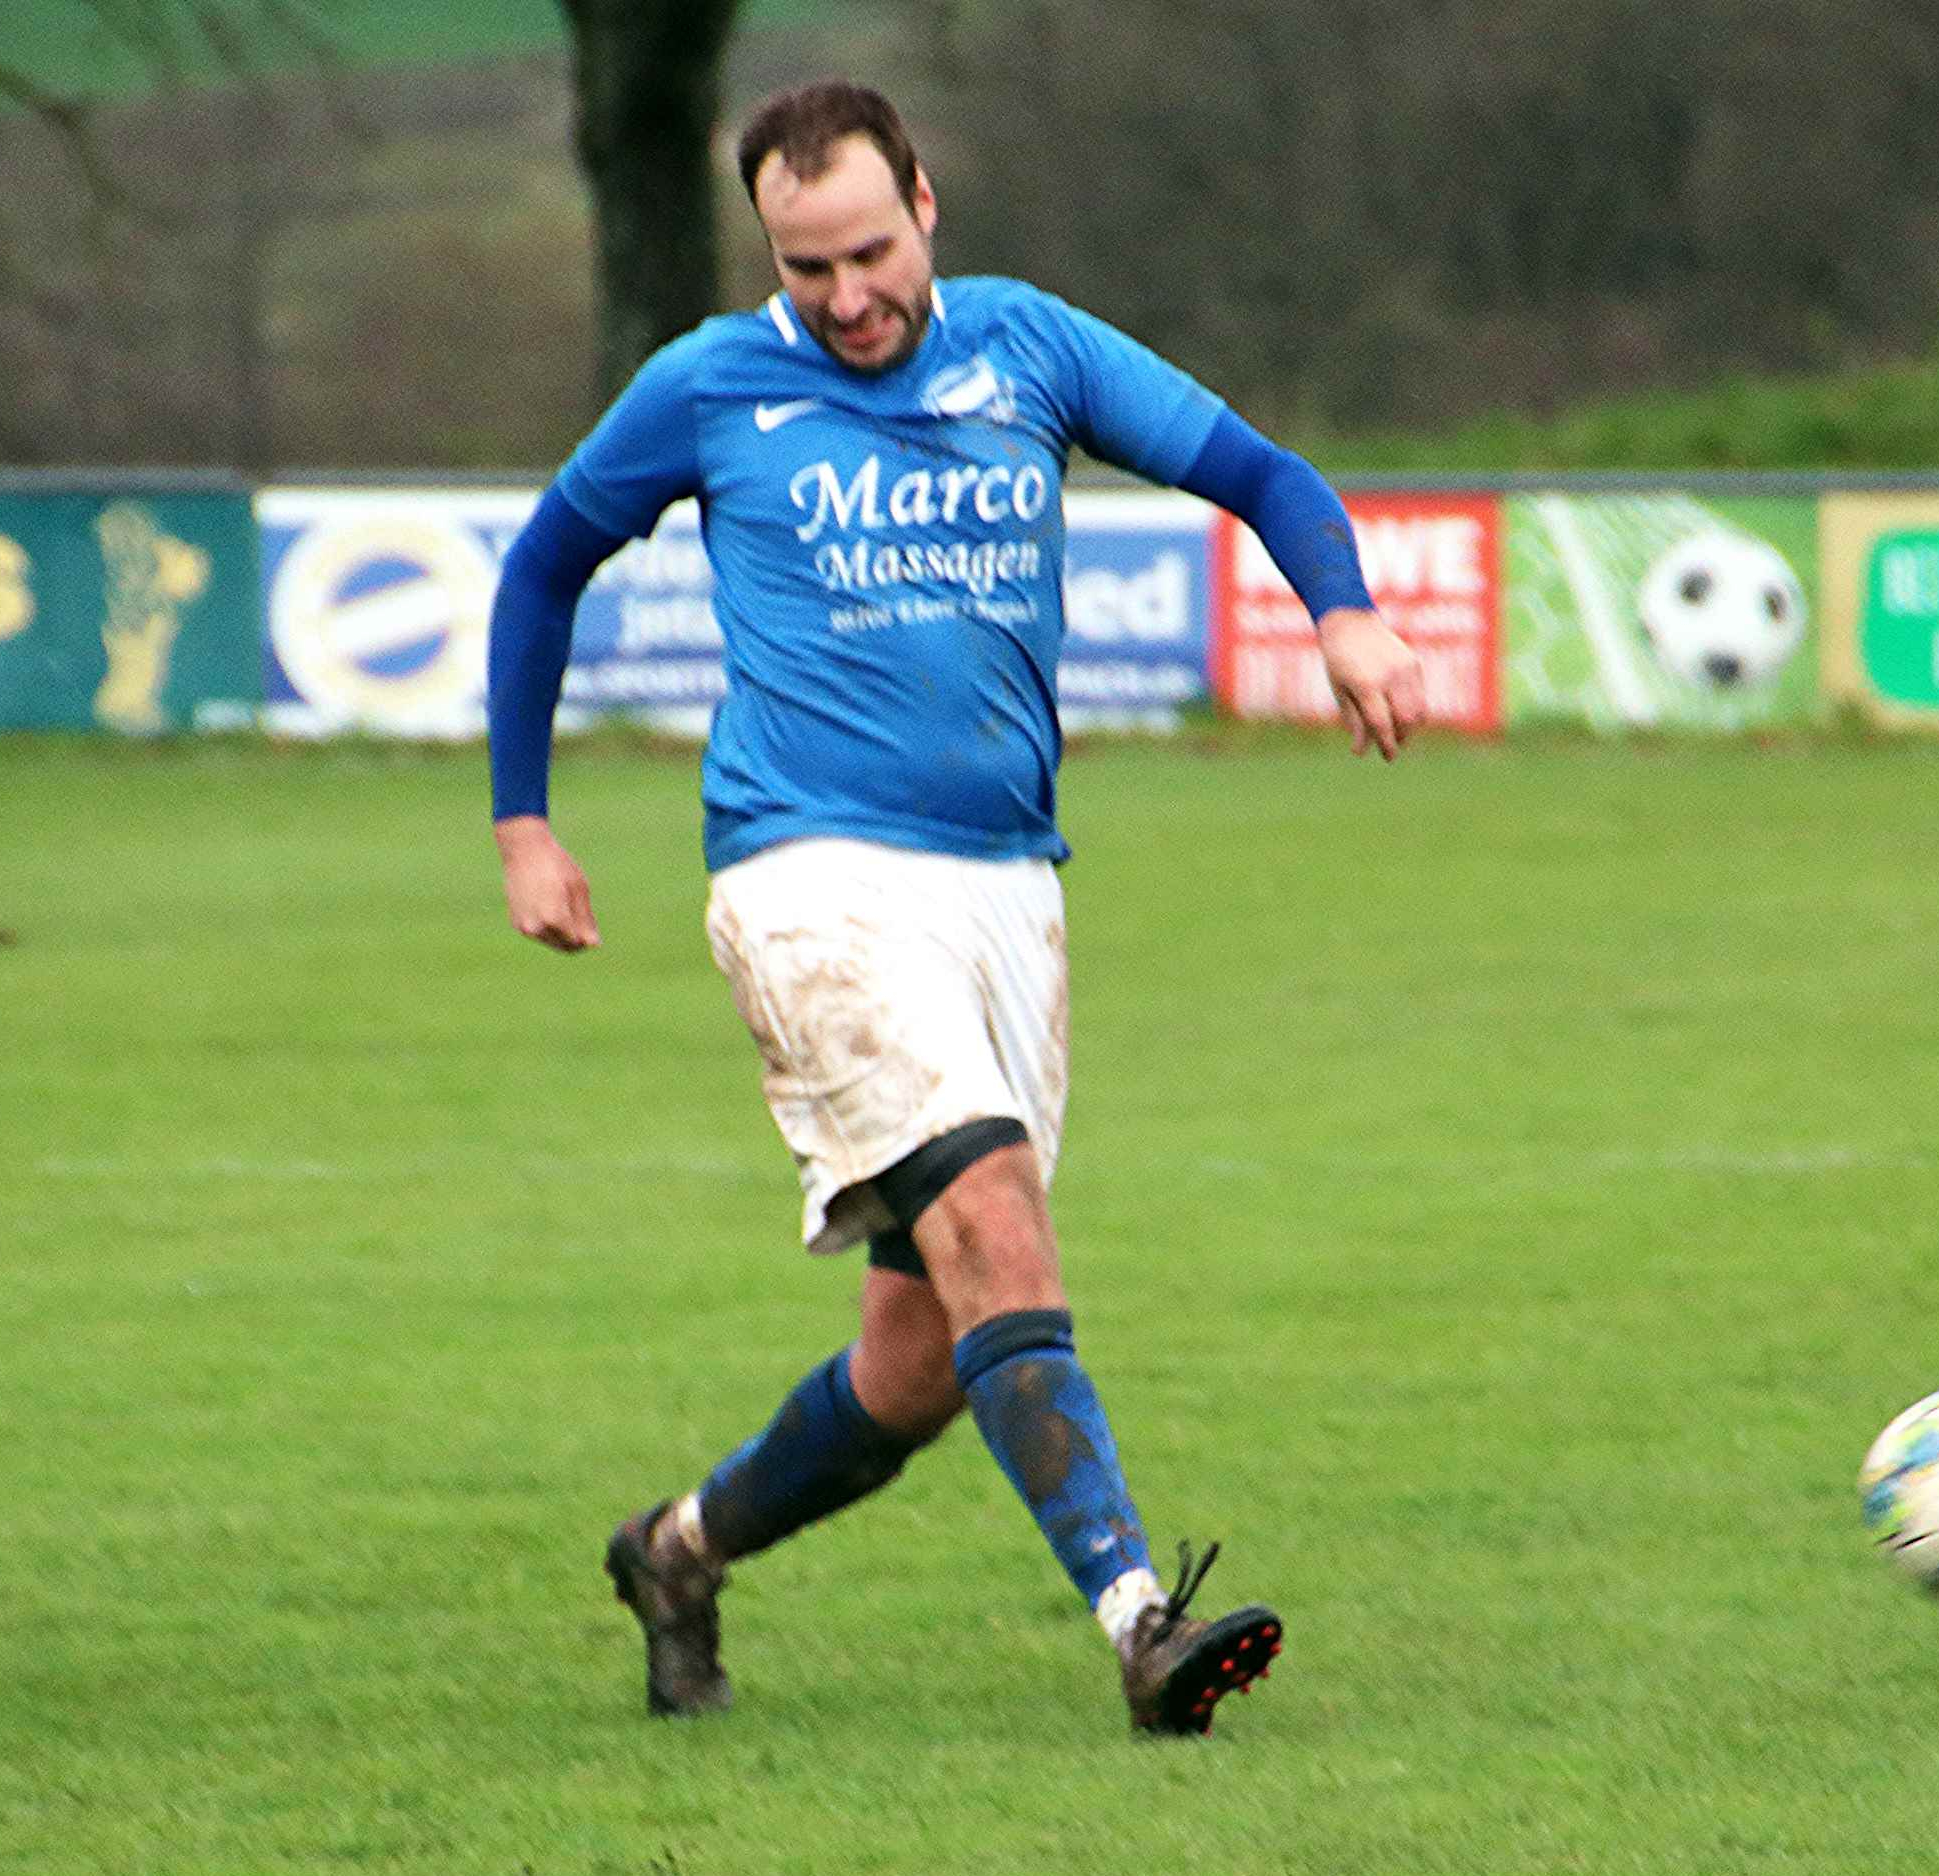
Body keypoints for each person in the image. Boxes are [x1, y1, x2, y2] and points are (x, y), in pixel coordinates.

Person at [486, 81, 1426, 1736]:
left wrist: (1341, 615)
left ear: (925, 206)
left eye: (870, 255)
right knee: (995, 1218)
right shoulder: (709, 385)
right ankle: (1142, 1625)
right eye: (807, 269)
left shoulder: (1029, 347)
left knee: (918, 1366)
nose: (847, 299)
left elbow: (1262, 473)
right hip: (807, 877)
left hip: (1006, 889)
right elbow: (546, 564)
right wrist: (523, 824)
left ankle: (677, 1552)